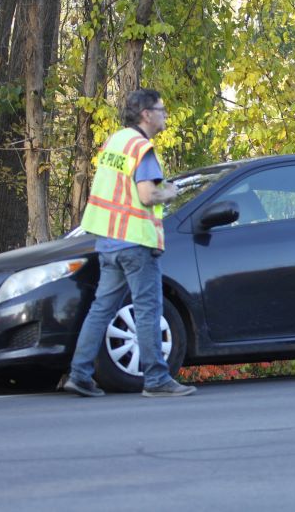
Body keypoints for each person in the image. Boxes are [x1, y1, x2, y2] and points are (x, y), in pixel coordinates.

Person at [63, 88, 196, 398]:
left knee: (101, 309)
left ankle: (79, 375)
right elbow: (147, 195)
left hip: (108, 240)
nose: (165, 115)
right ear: (146, 114)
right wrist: (170, 192)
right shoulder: (142, 148)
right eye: (161, 110)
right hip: (135, 242)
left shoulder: (115, 142)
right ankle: (157, 379)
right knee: (148, 309)